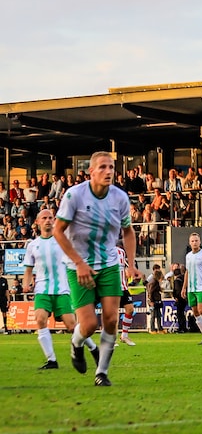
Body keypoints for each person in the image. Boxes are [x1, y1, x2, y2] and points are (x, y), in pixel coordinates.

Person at [54, 151, 143, 386]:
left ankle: (101, 373)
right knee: (90, 325)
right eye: (102, 167)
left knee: (112, 319)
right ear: (91, 171)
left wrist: (131, 265)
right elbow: (57, 231)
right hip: (78, 267)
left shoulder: (120, 198)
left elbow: (128, 231)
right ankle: (76, 343)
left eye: (111, 167)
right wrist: (80, 263)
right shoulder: (74, 196)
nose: (108, 172)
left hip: (109, 264)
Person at [24, 208, 99, 369]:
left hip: (62, 290)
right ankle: (52, 360)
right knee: (40, 319)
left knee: (72, 326)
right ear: (37, 222)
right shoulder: (33, 245)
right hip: (42, 289)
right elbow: (28, 269)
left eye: (51, 217)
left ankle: (93, 348)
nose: (48, 220)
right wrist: (26, 283)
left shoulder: (63, 241)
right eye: (44, 218)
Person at [147, 264, 165, 333]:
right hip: (154, 301)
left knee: (158, 315)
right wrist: (151, 300)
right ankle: (153, 329)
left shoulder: (155, 282)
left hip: (156, 300)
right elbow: (151, 291)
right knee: (153, 315)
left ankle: (160, 328)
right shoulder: (154, 282)